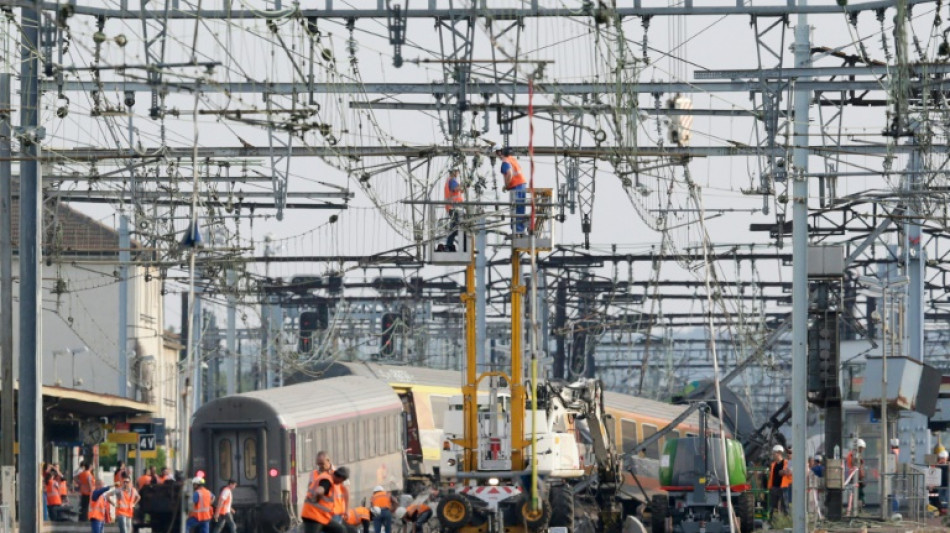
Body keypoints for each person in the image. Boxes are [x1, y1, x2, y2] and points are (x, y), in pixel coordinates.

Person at [301, 465, 346, 533]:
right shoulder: (327, 480)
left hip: (323, 517)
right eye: (342, 481)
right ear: (340, 478)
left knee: (340, 530)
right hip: (313, 516)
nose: (340, 483)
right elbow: (320, 490)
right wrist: (317, 496)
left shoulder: (329, 477)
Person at [495, 147, 526, 234]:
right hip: (521, 184)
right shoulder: (511, 159)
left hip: (516, 186)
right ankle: (519, 229)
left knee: (516, 208)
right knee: (520, 208)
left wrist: (506, 185)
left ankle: (518, 230)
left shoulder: (505, 162)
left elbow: (509, 173)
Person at [439, 169, 463, 252]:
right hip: (454, 207)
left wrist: (462, 187)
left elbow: (459, 190)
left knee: (456, 227)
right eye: (457, 172)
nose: (458, 173)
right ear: (453, 172)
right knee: (456, 227)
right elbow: (455, 189)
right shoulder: (452, 180)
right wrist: (461, 186)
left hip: (453, 207)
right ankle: (449, 245)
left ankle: (450, 244)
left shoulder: (450, 180)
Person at [767, 444, 791, 519]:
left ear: (779, 453)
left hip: (783, 487)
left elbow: (788, 473)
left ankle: (786, 521)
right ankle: (771, 522)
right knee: (772, 507)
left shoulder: (786, 463)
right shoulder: (773, 464)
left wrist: (783, 471)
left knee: (785, 506)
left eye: (774, 453)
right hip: (774, 487)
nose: (773, 455)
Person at [846, 439, 867, 509]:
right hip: (855, 477)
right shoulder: (852, 455)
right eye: (861, 448)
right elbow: (855, 465)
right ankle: (856, 509)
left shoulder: (855, 455)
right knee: (857, 495)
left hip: (858, 477)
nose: (862, 450)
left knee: (860, 494)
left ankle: (858, 508)